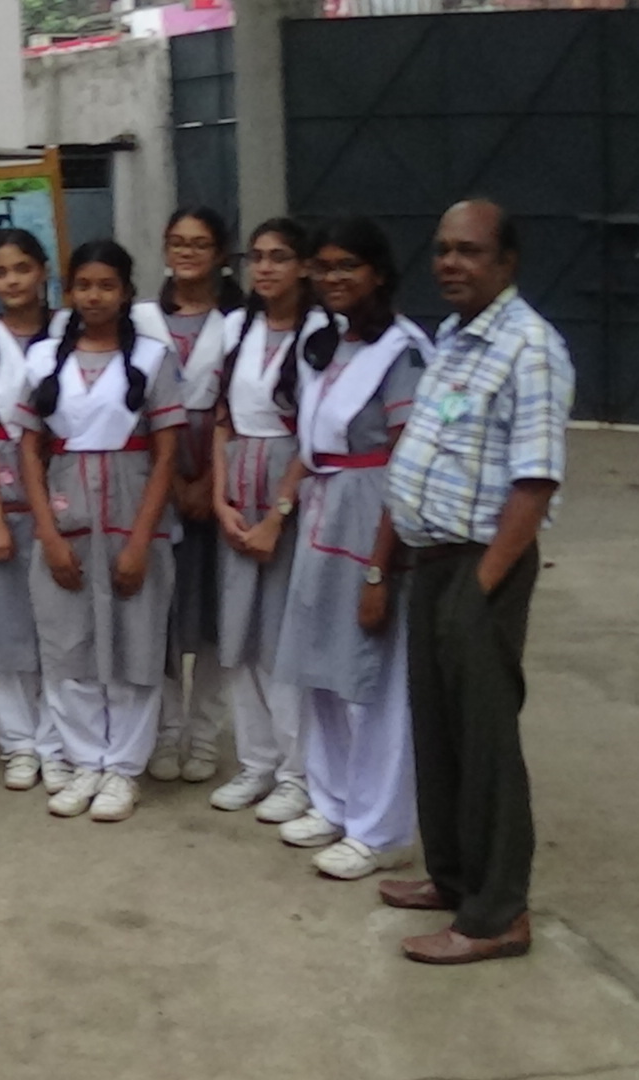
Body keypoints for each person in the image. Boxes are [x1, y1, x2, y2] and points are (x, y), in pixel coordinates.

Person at [382, 199, 572, 964]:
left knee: (485, 739)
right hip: (432, 560)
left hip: (481, 565)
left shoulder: (530, 348)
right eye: (441, 250)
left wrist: (481, 589)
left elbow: (535, 483)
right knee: (438, 731)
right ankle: (454, 877)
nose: (449, 264)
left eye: (468, 251)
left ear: (507, 262)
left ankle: (498, 916)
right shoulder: (455, 338)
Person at [0, 240, 184, 824]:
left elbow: (168, 453)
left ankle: (122, 767)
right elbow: (30, 451)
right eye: (83, 285)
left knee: (134, 641)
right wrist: (48, 536)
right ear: (69, 291)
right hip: (66, 512)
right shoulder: (45, 359)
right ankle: (83, 761)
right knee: (67, 642)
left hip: (131, 511)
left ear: (126, 292)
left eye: (106, 285)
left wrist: (141, 541)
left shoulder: (153, 358)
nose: (94, 296)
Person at [272, 218, 428, 881]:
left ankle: (380, 827)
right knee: (322, 667)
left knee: (374, 677)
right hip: (323, 512)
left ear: (379, 274)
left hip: (370, 517)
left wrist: (378, 568)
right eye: (324, 267)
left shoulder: (401, 353)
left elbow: (404, 460)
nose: (333, 278)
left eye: (348, 267)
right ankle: (333, 800)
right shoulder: (331, 343)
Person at [208, 218, 316, 824]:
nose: (267, 268)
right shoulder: (237, 327)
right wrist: (220, 499)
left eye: (280, 257)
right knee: (240, 633)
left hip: (288, 485)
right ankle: (257, 762)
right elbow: (222, 418)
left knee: (283, 635)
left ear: (304, 267)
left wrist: (279, 514)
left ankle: (299, 773)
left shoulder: (320, 333)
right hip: (238, 478)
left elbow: (315, 433)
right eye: (258, 257)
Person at [0, 229, 70, 795]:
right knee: (5, 623)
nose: (13, 281)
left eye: (23, 268)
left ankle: (58, 741)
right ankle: (18, 742)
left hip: (64, 492)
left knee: (60, 621)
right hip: (1, 494)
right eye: (0, 272)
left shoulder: (71, 331)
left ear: (43, 270)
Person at [139, 207, 242, 785]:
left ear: (220, 254)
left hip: (221, 470)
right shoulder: (141, 319)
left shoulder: (242, 322)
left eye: (200, 244)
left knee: (212, 616)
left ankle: (203, 734)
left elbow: (239, 403)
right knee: (159, 609)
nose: (187, 253)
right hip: (155, 469)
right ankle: (164, 731)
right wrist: (174, 480)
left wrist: (207, 482)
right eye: (177, 242)